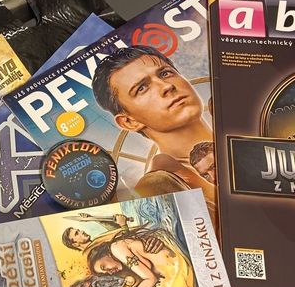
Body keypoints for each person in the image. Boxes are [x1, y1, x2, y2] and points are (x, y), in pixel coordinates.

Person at [92, 45, 217, 221]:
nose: (166, 86)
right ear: (129, 121)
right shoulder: (157, 189)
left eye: (165, 73)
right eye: (142, 88)